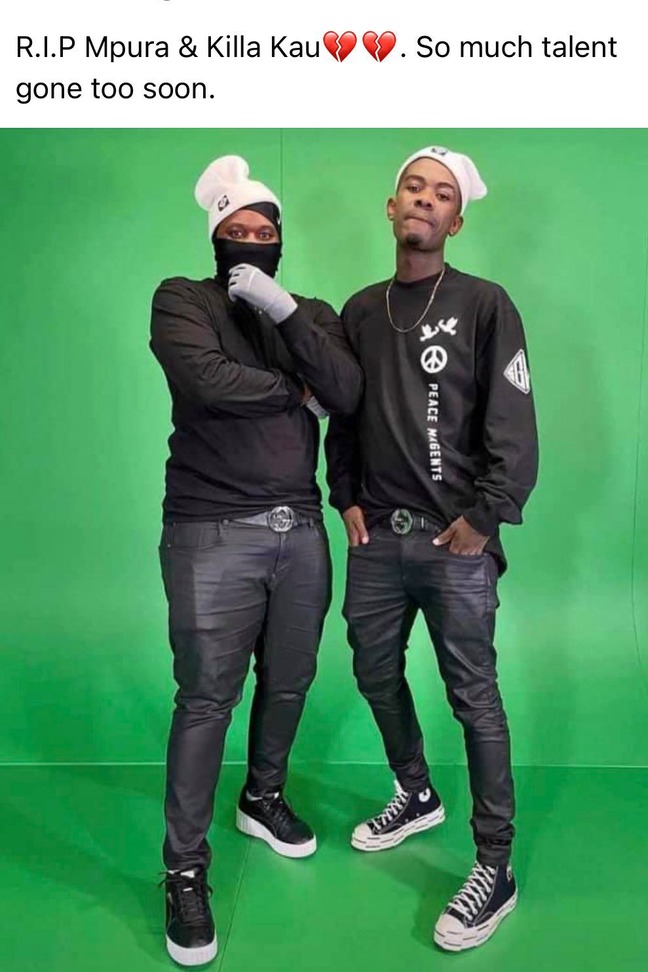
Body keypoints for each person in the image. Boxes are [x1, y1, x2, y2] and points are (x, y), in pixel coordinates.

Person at [150, 155, 363, 967]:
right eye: (235, 231)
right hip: (210, 528)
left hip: (300, 528)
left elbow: (346, 390)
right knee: (207, 697)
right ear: (215, 239)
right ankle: (184, 869)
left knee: (291, 679)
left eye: (263, 230)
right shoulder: (183, 298)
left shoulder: (311, 313)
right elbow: (206, 381)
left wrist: (287, 315)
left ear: (280, 240)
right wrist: (292, 391)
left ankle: (262, 795)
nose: (250, 241)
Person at [325, 145, 539, 952]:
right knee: (373, 671)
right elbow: (345, 414)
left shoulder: (485, 304)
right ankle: (415, 792)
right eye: (413, 187)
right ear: (391, 207)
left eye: (442, 194)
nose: (424, 199)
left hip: (456, 544)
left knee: (474, 697)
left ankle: (495, 865)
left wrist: (487, 516)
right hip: (379, 540)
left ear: (457, 220)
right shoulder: (359, 310)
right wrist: (345, 493)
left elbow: (513, 421)